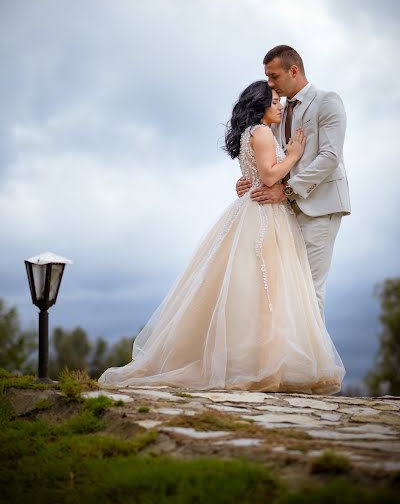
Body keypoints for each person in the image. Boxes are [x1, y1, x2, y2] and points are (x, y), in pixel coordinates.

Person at [98, 80, 345, 394]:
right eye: (273, 100)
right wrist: (294, 154)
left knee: (251, 289)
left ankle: (256, 362)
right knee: (270, 290)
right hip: (266, 215)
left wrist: (251, 180)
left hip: (249, 212)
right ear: (260, 105)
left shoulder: (248, 134)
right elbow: (269, 175)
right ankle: (268, 364)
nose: (279, 104)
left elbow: (254, 173)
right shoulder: (265, 132)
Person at [237, 46, 351, 322]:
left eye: (274, 76)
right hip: (284, 214)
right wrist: (247, 180)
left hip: (320, 207)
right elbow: (269, 157)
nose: (270, 83)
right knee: (287, 291)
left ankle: (314, 365)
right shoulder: (277, 111)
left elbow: (330, 157)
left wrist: (287, 190)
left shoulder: (327, 101)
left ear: (294, 70)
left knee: (310, 290)